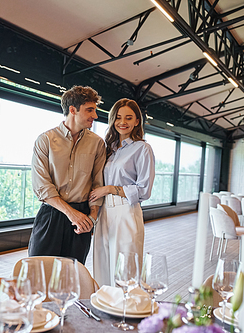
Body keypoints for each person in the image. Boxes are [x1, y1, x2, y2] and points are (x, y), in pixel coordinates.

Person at [28, 85, 106, 264]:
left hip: (82, 219)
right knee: (39, 272)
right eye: (90, 110)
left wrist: (92, 218)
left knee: (73, 276)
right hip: (51, 214)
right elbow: (42, 186)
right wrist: (71, 213)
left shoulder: (98, 144)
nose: (95, 116)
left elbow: (97, 184)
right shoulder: (45, 140)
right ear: (73, 110)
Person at [90, 98, 155, 287]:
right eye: (118, 117)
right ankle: (105, 309)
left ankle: (126, 313)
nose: (122, 122)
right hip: (104, 212)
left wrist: (109, 189)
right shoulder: (109, 149)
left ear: (137, 121)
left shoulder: (142, 148)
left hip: (126, 211)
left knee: (125, 270)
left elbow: (144, 189)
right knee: (102, 265)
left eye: (128, 118)